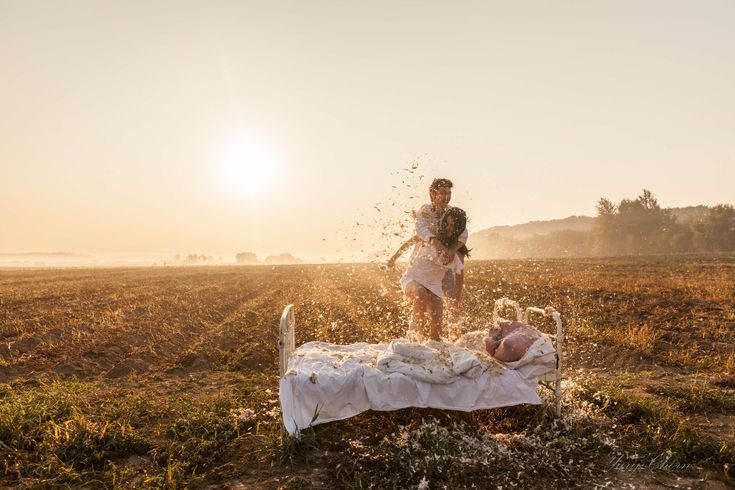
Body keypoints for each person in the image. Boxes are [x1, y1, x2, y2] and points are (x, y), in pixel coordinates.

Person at [387, 178, 469, 317]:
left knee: (452, 303)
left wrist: (451, 251)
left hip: (444, 266)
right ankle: (417, 332)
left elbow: (463, 235)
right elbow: (419, 232)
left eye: (449, 193)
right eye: (442, 193)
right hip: (424, 262)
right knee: (423, 300)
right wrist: (437, 244)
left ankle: (454, 335)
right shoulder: (425, 211)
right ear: (432, 194)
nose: (446, 197)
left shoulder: (452, 213)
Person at [399, 207, 468, 341]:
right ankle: (419, 336)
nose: (448, 228)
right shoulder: (431, 234)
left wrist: (457, 301)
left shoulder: (457, 251)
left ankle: (431, 346)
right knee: (420, 292)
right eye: (446, 224)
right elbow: (412, 240)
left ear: (459, 229)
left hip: (434, 287)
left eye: (453, 226)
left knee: (436, 336)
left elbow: (460, 276)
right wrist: (392, 259)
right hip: (413, 278)